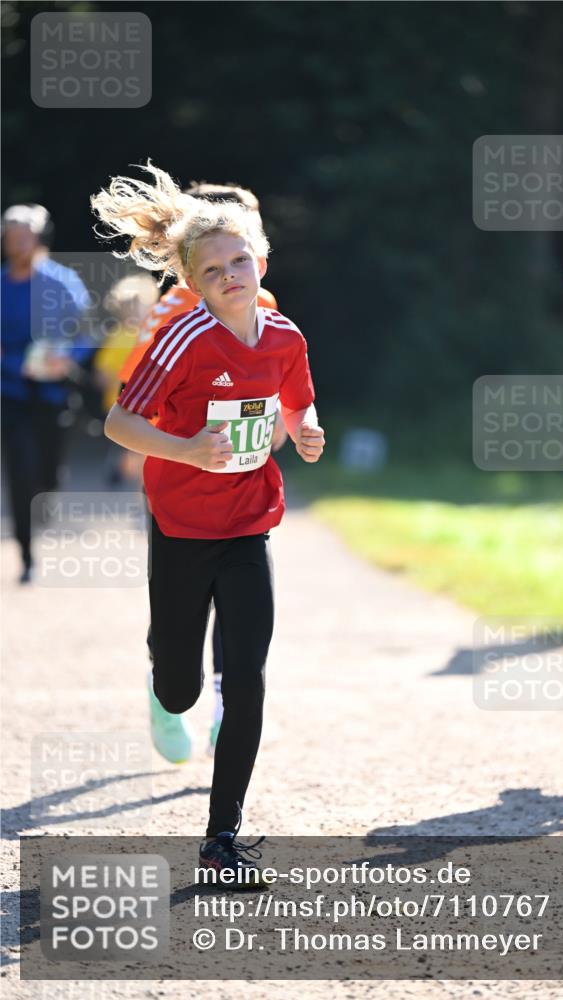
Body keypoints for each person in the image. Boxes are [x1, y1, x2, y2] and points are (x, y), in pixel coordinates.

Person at [91, 162, 325, 880]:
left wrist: (307, 427)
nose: (231, 274)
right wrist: (188, 448)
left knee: (246, 676)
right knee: (181, 686)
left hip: (249, 522)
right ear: (191, 280)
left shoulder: (284, 335)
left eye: (240, 260)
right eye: (214, 268)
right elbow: (118, 423)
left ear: (259, 258)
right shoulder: (180, 336)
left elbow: (297, 402)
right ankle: (163, 682)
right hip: (182, 525)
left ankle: (221, 837)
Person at [117, 182, 285, 762]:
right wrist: (169, 449)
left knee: (240, 609)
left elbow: (276, 382)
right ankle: (165, 685)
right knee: (182, 608)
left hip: (239, 483)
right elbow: (132, 400)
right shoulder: (173, 310)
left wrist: (287, 426)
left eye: (250, 247)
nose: (243, 263)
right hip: (177, 476)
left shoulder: (263, 303)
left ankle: (223, 700)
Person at [1, 204, 92, 582]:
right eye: (10, 237)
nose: (17, 243)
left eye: (24, 236)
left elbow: (87, 333)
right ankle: (26, 555)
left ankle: (47, 494)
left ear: (38, 238)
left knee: (47, 475)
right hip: (11, 394)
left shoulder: (63, 283)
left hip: (53, 396)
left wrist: (67, 359)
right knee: (19, 473)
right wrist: (13, 365)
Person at [92, 273, 159, 483]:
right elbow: (102, 371)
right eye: (129, 304)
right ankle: (122, 471)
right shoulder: (119, 335)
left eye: (139, 303)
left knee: (138, 445)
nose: (134, 309)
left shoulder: (155, 332)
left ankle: (128, 471)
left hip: (146, 404)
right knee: (127, 442)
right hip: (120, 402)